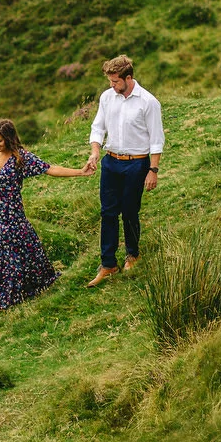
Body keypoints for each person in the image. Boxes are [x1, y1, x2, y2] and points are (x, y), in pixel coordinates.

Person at [0, 118, 91, 315]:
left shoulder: (20, 158)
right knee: (2, 252)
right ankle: (12, 288)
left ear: (9, 139)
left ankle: (13, 292)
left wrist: (80, 173)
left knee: (16, 249)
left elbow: (50, 169)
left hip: (11, 213)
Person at [84, 54, 164, 287]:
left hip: (136, 163)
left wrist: (153, 170)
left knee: (130, 211)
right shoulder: (107, 98)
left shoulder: (148, 102)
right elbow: (97, 127)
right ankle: (108, 264)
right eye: (109, 81)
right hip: (110, 161)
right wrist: (95, 151)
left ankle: (133, 254)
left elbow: (157, 139)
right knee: (107, 212)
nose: (111, 85)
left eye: (115, 81)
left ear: (128, 78)